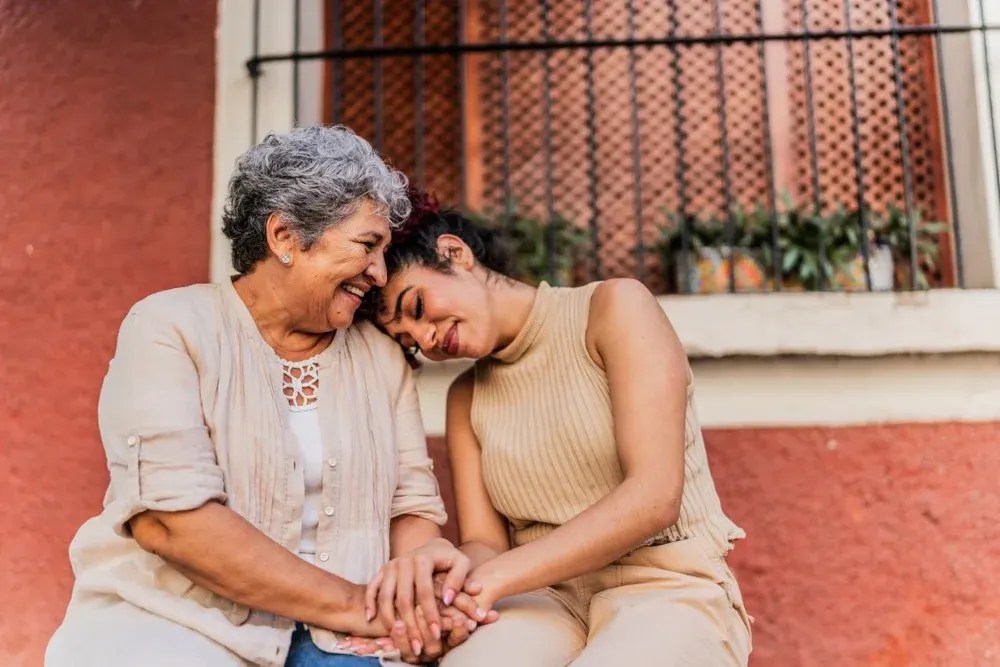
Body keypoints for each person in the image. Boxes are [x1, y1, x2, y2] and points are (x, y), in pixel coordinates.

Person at [45, 127, 482, 667]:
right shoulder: (170, 327)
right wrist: (354, 607)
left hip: (352, 640)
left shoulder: (378, 356)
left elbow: (410, 510)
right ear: (285, 237)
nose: (379, 272)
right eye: (367, 245)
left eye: (385, 252)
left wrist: (418, 597)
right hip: (179, 625)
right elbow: (170, 521)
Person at [364, 194, 753, 666]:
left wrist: (494, 579)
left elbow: (654, 497)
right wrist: (448, 582)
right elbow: (487, 545)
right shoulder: (465, 398)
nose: (425, 339)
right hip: (542, 599)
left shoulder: (613, 309)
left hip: (669, 585)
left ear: (454, 253)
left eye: (418, 306)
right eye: (407, 339)